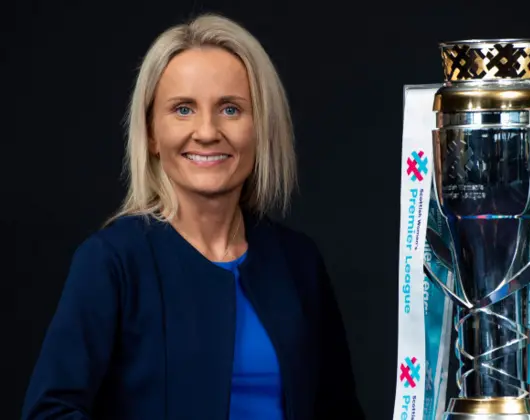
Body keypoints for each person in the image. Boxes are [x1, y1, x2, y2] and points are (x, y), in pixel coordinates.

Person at [21, 13, 363, 420]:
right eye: (183, 109)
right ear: (151, 133)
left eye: (231, 109)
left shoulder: (298, 262)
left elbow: (339, 411)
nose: (206, 131)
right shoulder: (111, 262)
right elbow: (50, 412)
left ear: (262, 127)